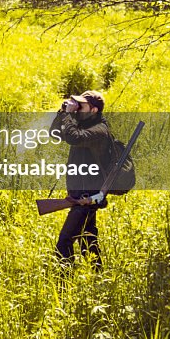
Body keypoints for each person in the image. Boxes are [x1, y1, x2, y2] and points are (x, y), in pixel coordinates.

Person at [53, 89, 116, 270]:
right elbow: (56, 134)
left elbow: (73, 138)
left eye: (82, 105)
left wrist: (69, 115)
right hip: (81, 194)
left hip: (87, 196)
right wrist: (62, 113)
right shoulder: (82, 126)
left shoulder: (99, 130)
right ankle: (98, 278)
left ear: (94, 110)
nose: (78, 107)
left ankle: (63, 287)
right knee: (88, 241)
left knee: (64, 242)